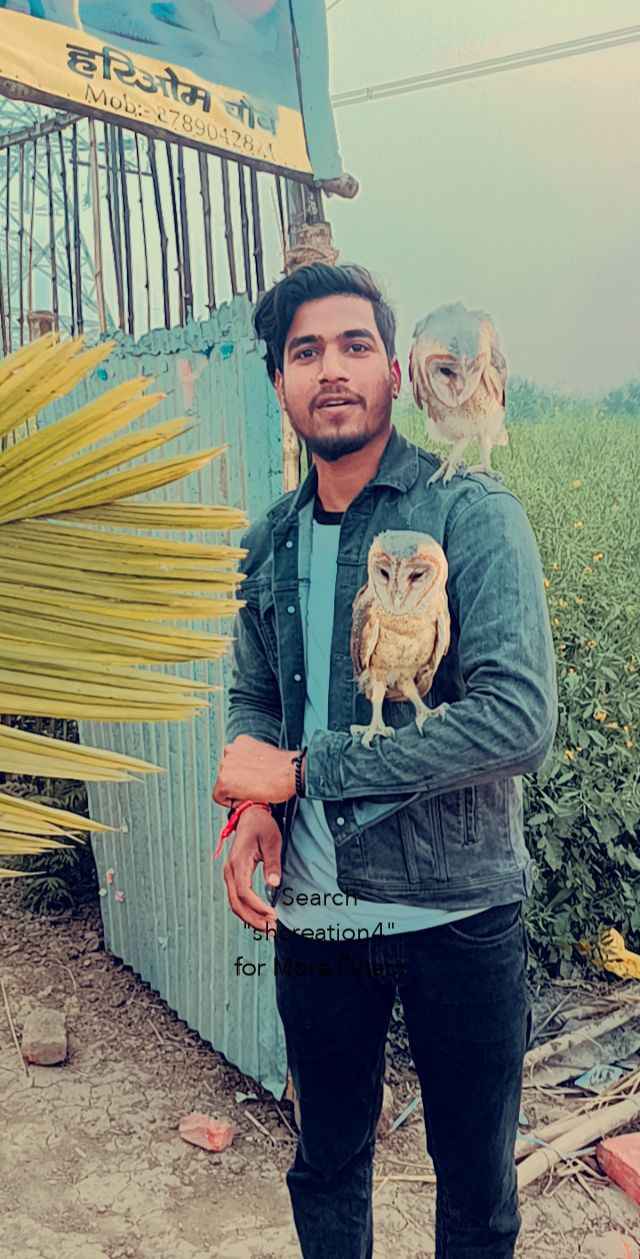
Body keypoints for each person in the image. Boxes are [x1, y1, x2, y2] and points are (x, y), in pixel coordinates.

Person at [212, 262, 558, 1259]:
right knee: (325, 1163)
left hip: (457, 915)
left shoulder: (471, 514)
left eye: (355, 345)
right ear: (278, 380)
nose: (332, 369)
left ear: (395, 374)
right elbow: (255, 695)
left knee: (476, 1189)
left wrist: (304, 772)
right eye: (305, 351)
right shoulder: (271, 537)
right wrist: (256, 809)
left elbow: (515, 721)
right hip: (315, 914)